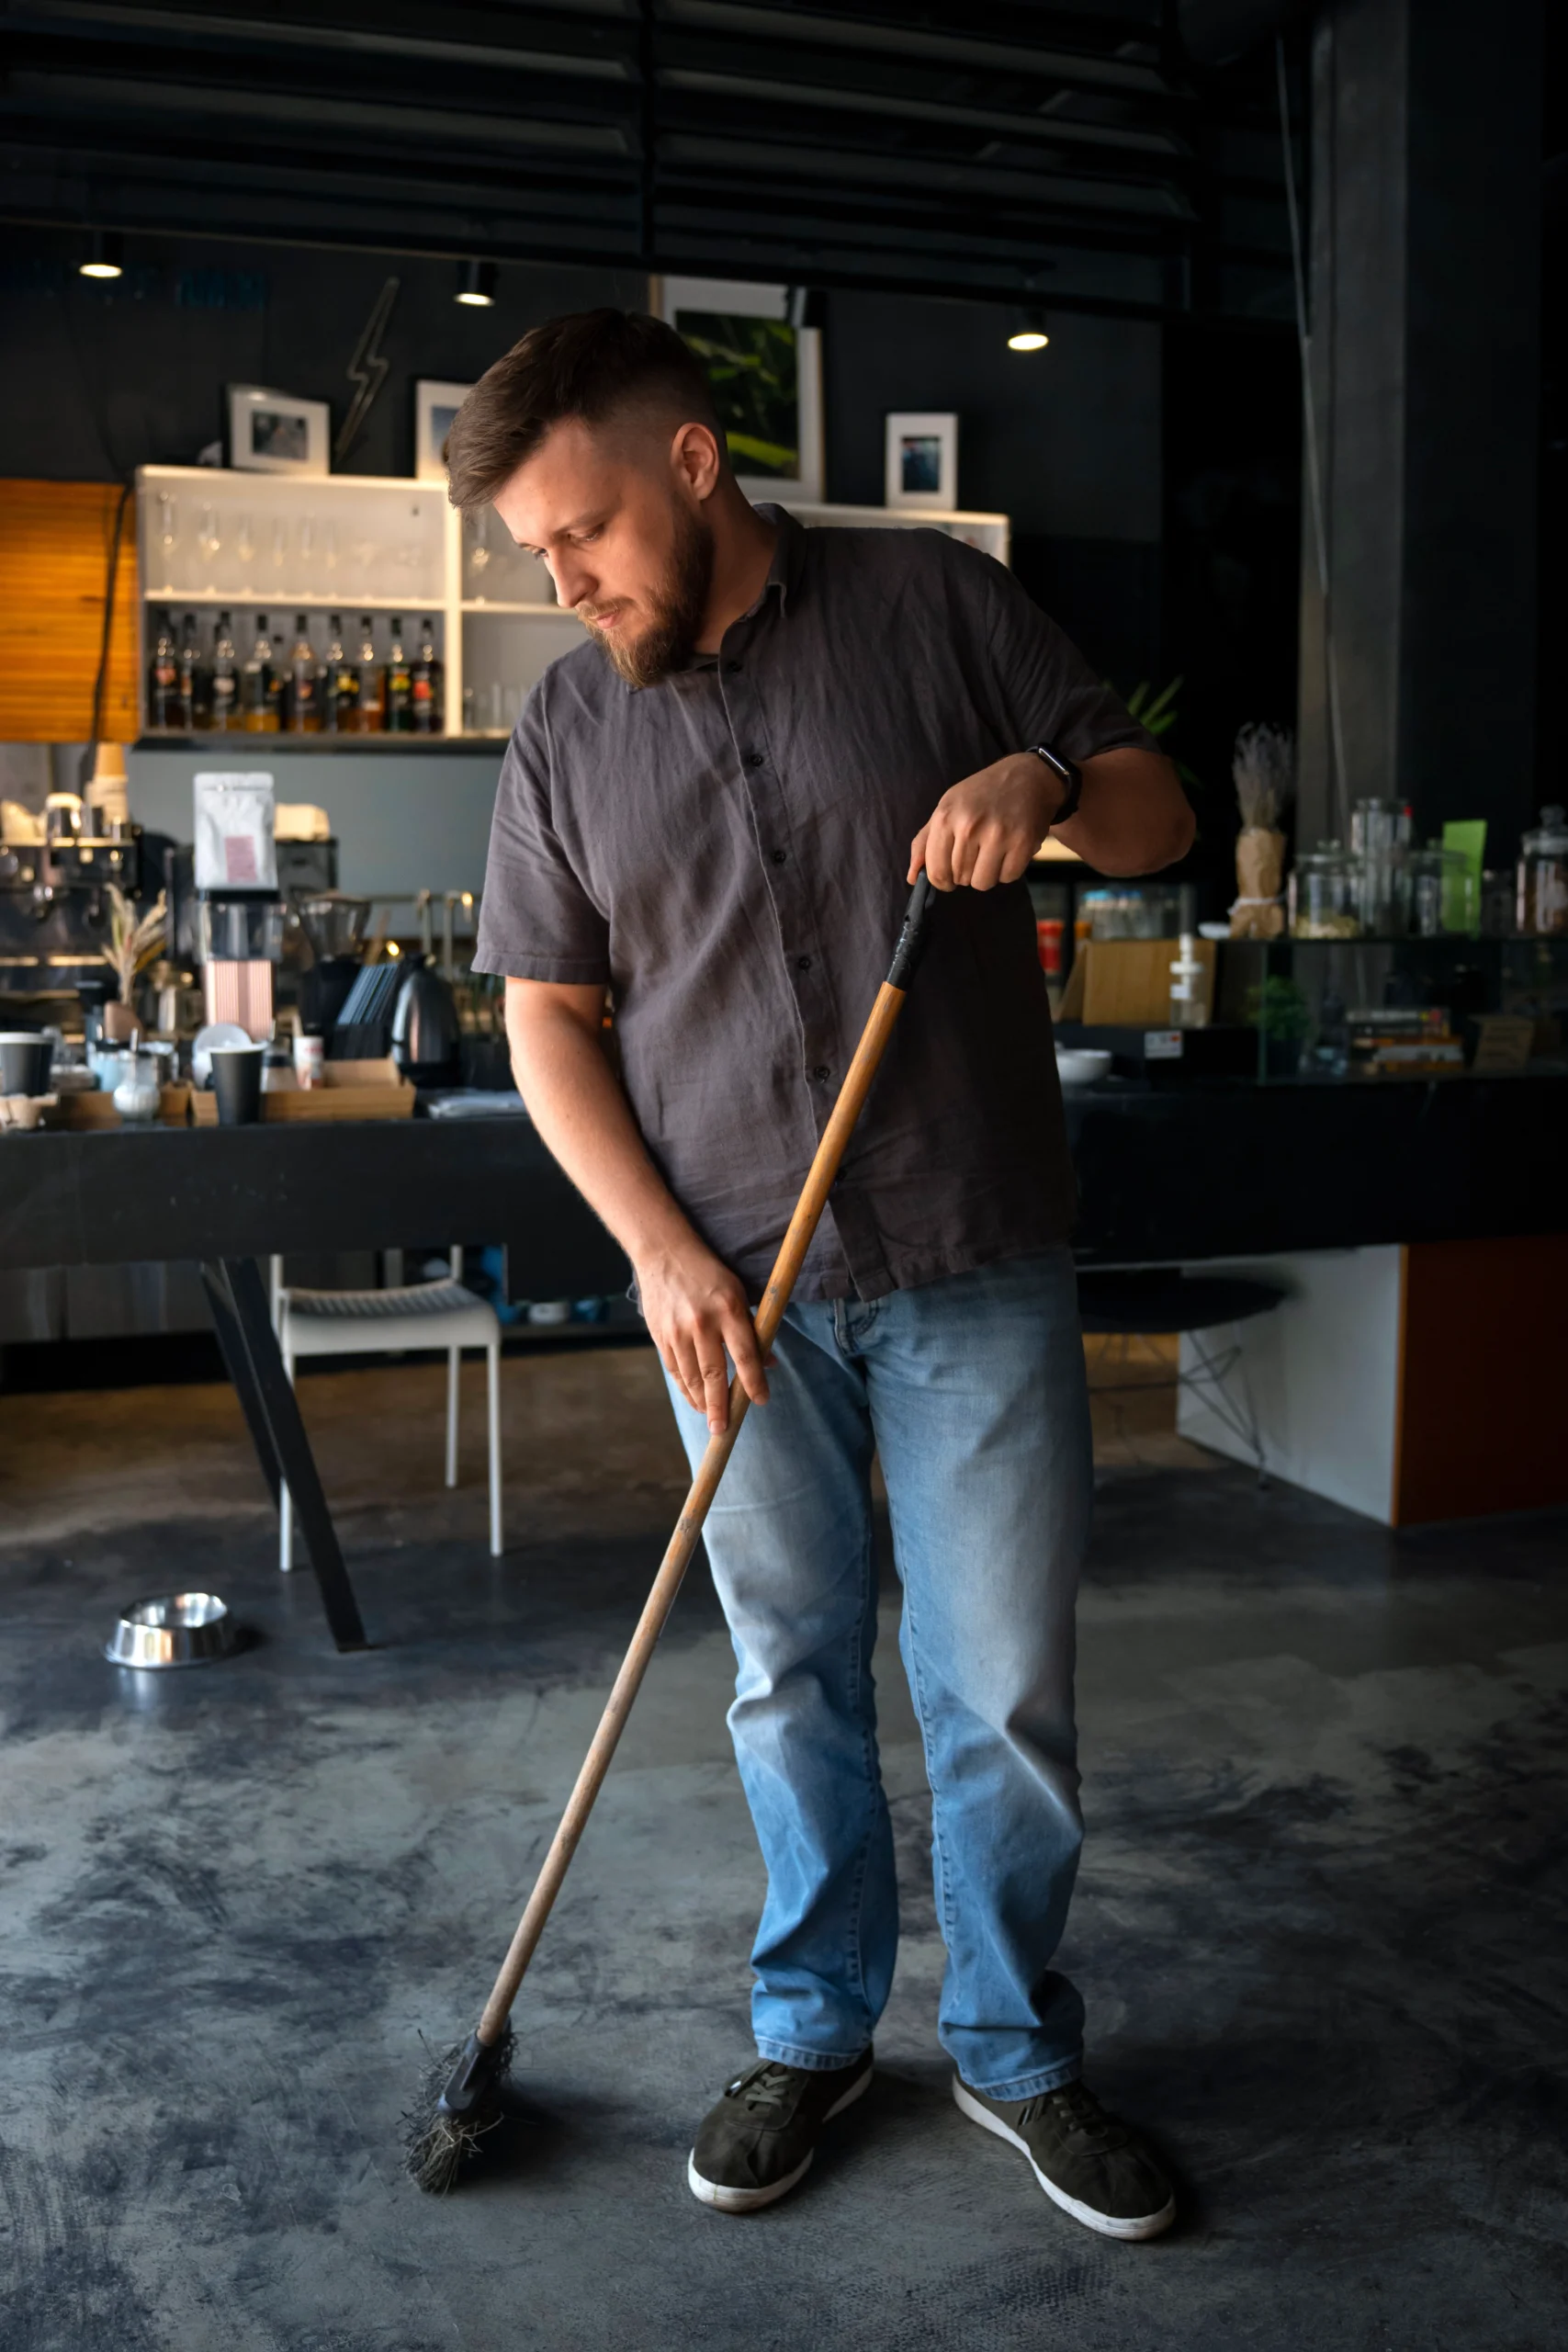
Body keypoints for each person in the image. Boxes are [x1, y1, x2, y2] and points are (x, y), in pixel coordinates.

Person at [449, 310, 1194, 2240]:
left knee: (1000, 1686)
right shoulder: (565, 721)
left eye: (584, 529)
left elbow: (1155, 811)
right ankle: (813, 2026)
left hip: (970, 1249)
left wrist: (1043, 778)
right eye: (535, 553)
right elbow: (547, 1015)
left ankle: (1019, 2049)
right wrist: (658, 1248)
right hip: (728, 1293)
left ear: (693, 463)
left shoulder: (938, 607)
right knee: (786, 1680)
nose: (567, 576)